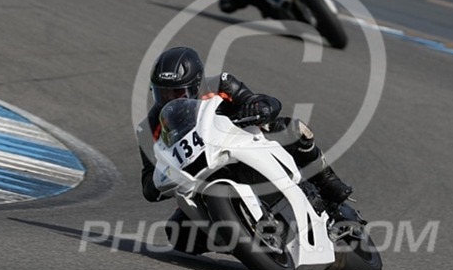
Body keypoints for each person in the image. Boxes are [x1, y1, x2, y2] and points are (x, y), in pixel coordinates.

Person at [137, 46, 352, 254]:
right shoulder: (147, 129)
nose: (171, 100)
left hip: (241, 145)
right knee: (178, 233)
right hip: (198, 179)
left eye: (177, 92)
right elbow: (148, 180)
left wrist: (260, 107)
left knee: (292, 130)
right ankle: (240, 241)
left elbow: (259, 101)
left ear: (196, 85)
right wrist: (157, 182)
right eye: (163, 94)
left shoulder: (220, 84)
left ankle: (326, 183)